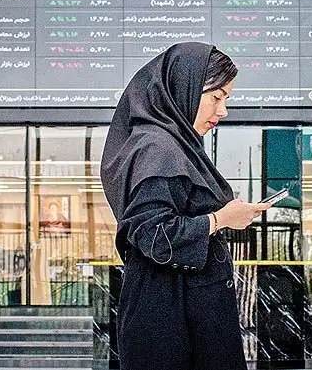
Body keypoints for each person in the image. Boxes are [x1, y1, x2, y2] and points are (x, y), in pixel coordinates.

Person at [100, 42, 271, 370]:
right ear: (184, 89)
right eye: (216, 97)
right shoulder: (157, 148)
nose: (223, 110)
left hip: (181, 315)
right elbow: (153, 234)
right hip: (168, 322)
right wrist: (221, 219)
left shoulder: (176, 146)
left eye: (226, 99)